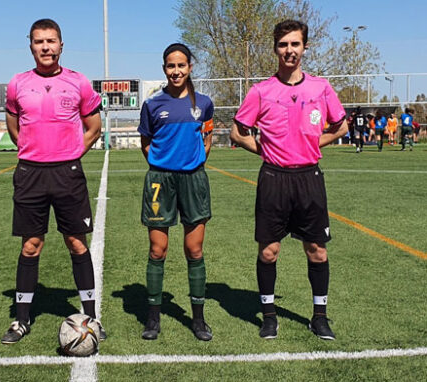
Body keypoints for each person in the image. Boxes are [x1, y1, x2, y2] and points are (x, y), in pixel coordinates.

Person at [230, 20, 347, 340]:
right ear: (275, 49)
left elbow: (341, 127)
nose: (289, 50)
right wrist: (267, 151)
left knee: (317, 251)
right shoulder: (261, 91)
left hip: (309, 177)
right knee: (269, 252)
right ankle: (268, 316)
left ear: (305, 47)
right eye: (283, 44)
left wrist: (310, 145)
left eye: (295, 44)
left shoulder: (321, 88)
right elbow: (237, 133)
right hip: (273, 178)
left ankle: (319, 317)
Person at [1, 18, 104, 344]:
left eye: (51, 41)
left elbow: (93, 127)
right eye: (39, 41)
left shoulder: (79, 82)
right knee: (31, 246)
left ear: (61, 45)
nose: (45, 47)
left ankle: (91, 317)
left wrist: (71, 154)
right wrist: (34, 152)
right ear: (31, 46)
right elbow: (14, 127)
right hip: (30, 173)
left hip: (67, 174)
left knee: (76, 242)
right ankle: (21, 321)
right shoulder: (17, 83)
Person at [137, 43, 214, 341]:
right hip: (160, 181)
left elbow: (207, 138)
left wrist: (194, 162)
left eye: (181, 65)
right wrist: (162, 165)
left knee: (194, 250)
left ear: (190, 67)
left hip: (193, 180)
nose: (176, 71)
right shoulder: (153, 105)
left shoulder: (204, 103)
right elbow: (146, 142)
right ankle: (153, 319)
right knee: (158, 250)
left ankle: (198, 319)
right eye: (171, 65)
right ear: (164, 69)